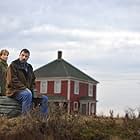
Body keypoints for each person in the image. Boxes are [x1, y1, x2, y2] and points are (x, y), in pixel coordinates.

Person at [6, 49, 48, 115]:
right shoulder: (13, 65)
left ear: (28, 57)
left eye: (26, 56)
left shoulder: (29, 67)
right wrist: (24, 88)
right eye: (22, 55)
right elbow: (12, 81)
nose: (24, 58)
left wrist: (34, 90)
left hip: (28, 91)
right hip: (14, 91)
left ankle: (43, 121)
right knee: (27, 95)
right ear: (19, 55)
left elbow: (33, 81)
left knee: (44, 98)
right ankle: (26, 119)